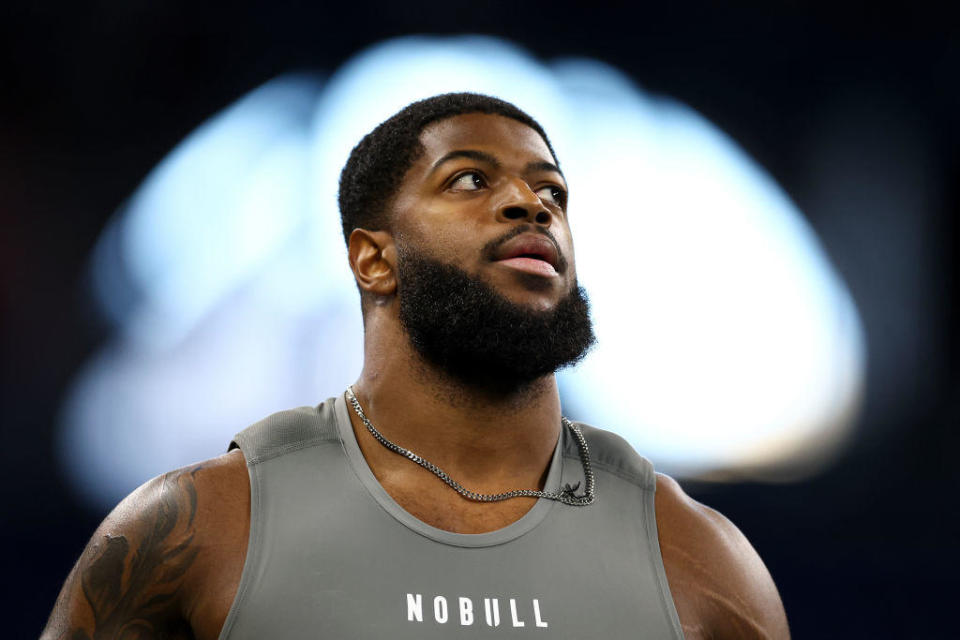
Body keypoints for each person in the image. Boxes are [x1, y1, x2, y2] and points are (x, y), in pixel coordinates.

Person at [42, 93, 790, 639]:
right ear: (373, 259)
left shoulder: (697, 554)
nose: (531, 204)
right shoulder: (199, 525)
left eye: (552, 191)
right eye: (470, 179)